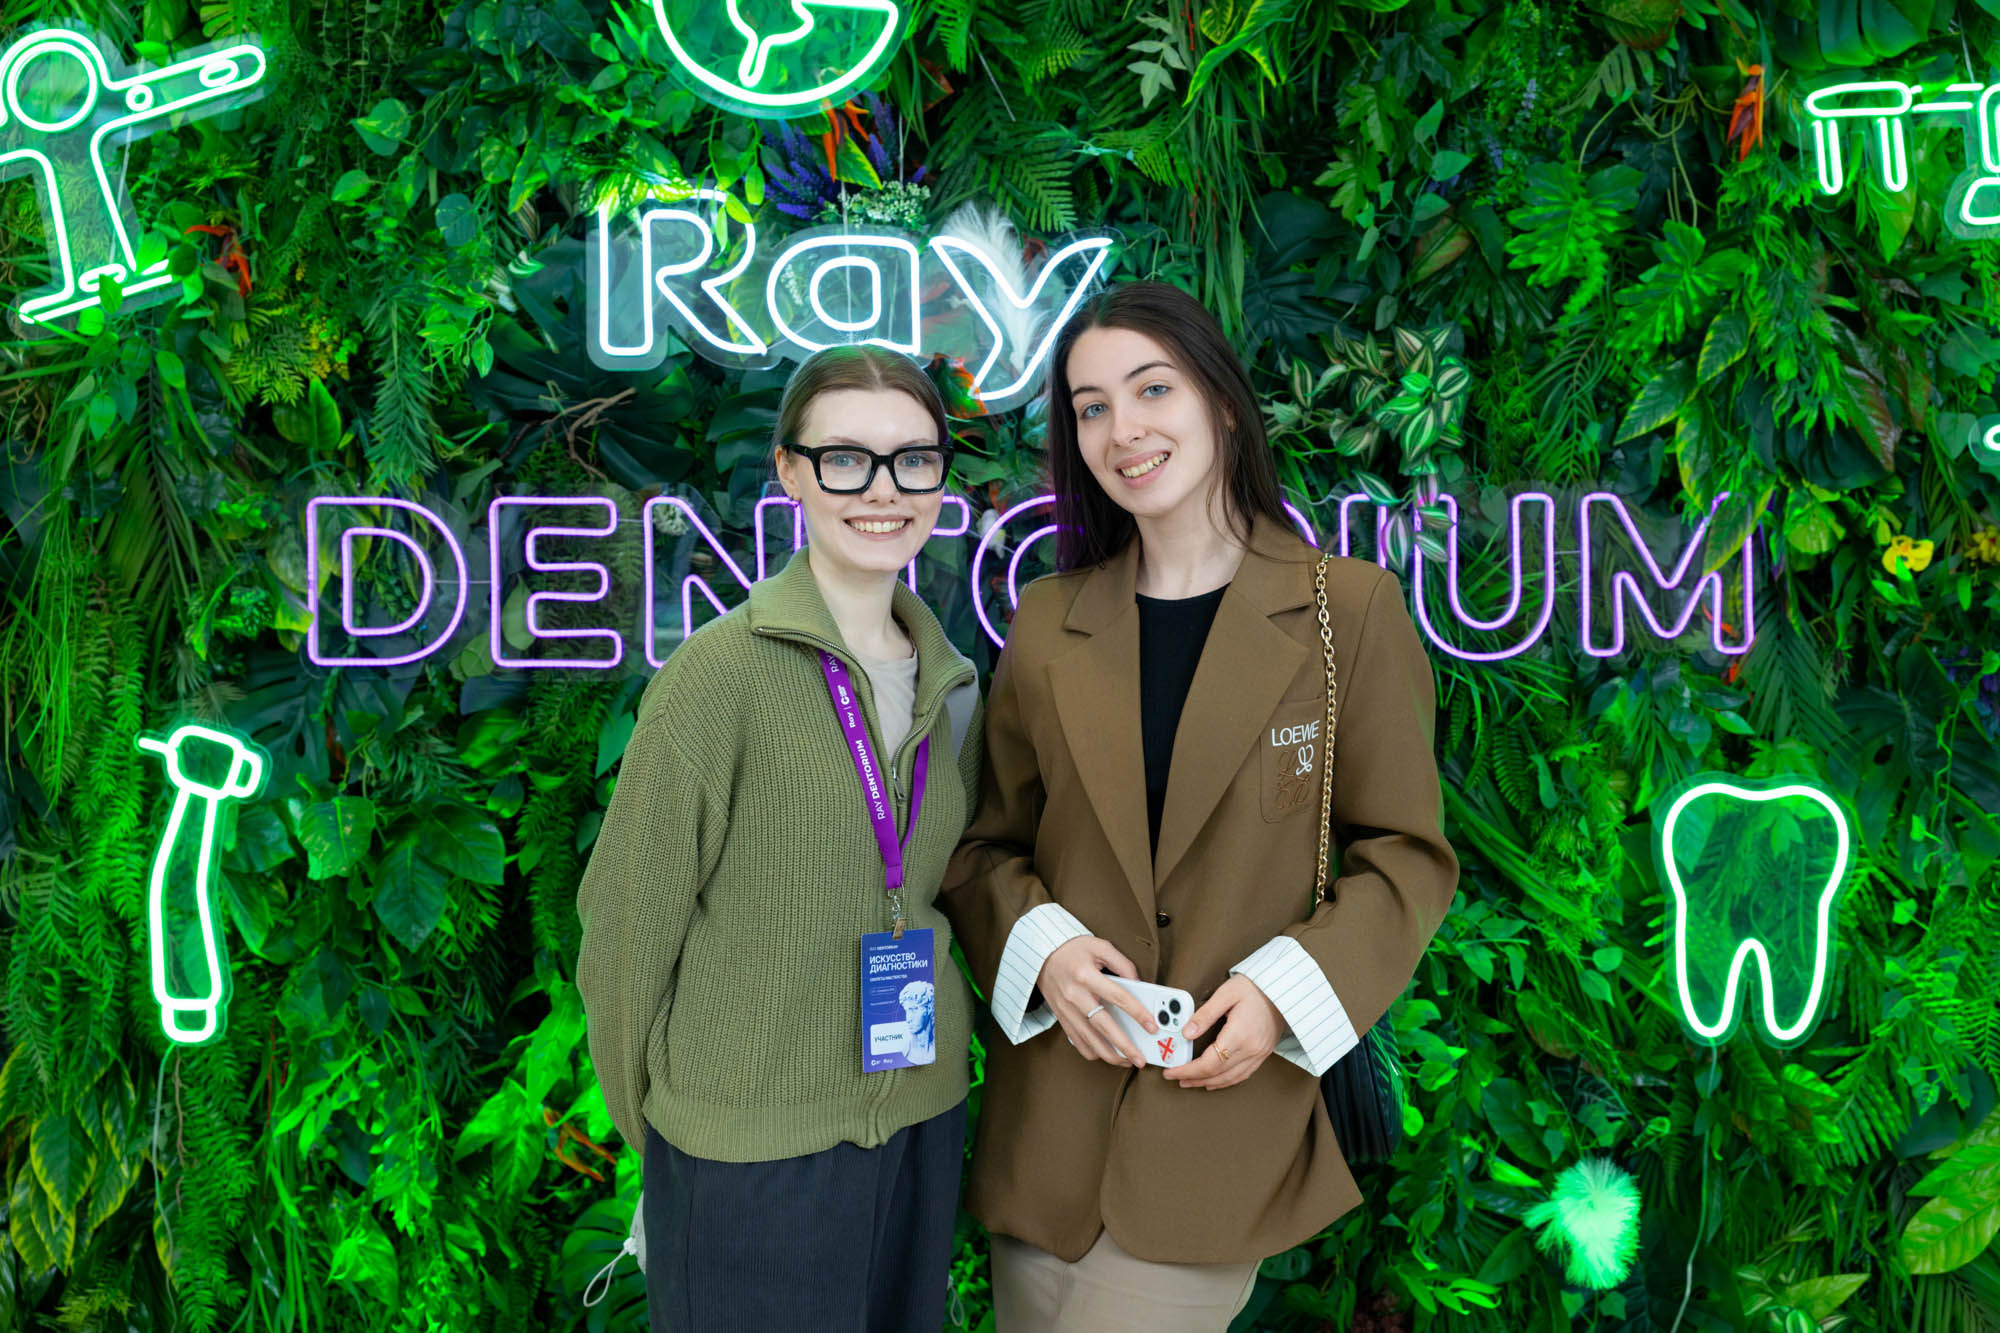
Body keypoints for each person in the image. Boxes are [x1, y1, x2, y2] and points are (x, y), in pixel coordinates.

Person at [940, 282, 1460, 1331]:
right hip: (1047, 1133)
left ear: (1220, 401)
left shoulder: (1347, 608)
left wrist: (1282, 993)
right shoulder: (1047, 619)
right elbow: (983, 845)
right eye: (1090, 407)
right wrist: (1043, 950)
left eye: (1151, 389)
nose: (1121, 429)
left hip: (1218, 1128)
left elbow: (1404, 854)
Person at [576, 344, 984, 1333]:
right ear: (790, 472)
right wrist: (675, 1139)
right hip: (746, 1153)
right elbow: (625, 932)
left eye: (912, 459)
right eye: (845, 459)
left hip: (918, 1127)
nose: (883, 490)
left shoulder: (955, 688)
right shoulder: (717, 677)